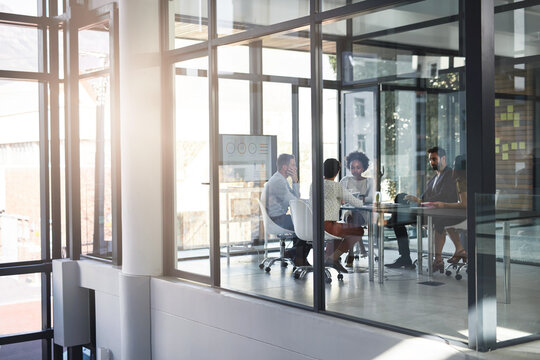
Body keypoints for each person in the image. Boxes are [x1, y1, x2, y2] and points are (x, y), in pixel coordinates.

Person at [385, 146, 458, 269]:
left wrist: (420, 201)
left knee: (397, 220)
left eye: (434, 159)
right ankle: (405, 257)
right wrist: (416, 200)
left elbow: (445, 197)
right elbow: (425, 196)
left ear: (443, 158)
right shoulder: (433, 179)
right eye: (430, 160)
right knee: (400, 197)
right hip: (424, 210)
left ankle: (393, 222)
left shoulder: (450, 175)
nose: (431, 162)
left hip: (437, 214)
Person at [261, 154, 311, 266]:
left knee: (302, 222)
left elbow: (294, 198)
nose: (296, 168)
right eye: (293, 165)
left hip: (277, 218)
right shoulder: (279, 181)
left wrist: (295, 182)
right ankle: (296, 255)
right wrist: (296, 181)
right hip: (277, 220)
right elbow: (294, 201)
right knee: (308, 225)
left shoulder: (280, 179)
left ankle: (297, 255)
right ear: (284, 167)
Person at [317, 158, 366, 274]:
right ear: (337, 171)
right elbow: (357, 203)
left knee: (343, 230)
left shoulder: (314, 184)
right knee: (358, 231)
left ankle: (329, 257)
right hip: (328, 227)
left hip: (314, 225)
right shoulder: (336, 186)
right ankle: (333, 258)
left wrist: (337, 200)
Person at [430, 155, 467, 269]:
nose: (453, 168)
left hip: (467, 216)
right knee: (446, 220)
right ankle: (460, 250)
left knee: (440, 221)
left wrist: (444, 204)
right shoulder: (467, 179)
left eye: (455, 166)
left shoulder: (461, 181)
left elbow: (465, 204)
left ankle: (438, 259)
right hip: (474, 214)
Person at [340, 151, 373, 266]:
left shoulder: (369, 181)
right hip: (348, 212)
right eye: (352, 167)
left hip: (364, 214)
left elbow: (371, 198)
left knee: (355, 217)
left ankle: (351, 253)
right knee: (352, 216)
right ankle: (357, 249)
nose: (355, 170)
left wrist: (355, 199)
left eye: (358, 167)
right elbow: (340, 196)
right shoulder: (345, 180)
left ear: (363, 168)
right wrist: (358, 199)